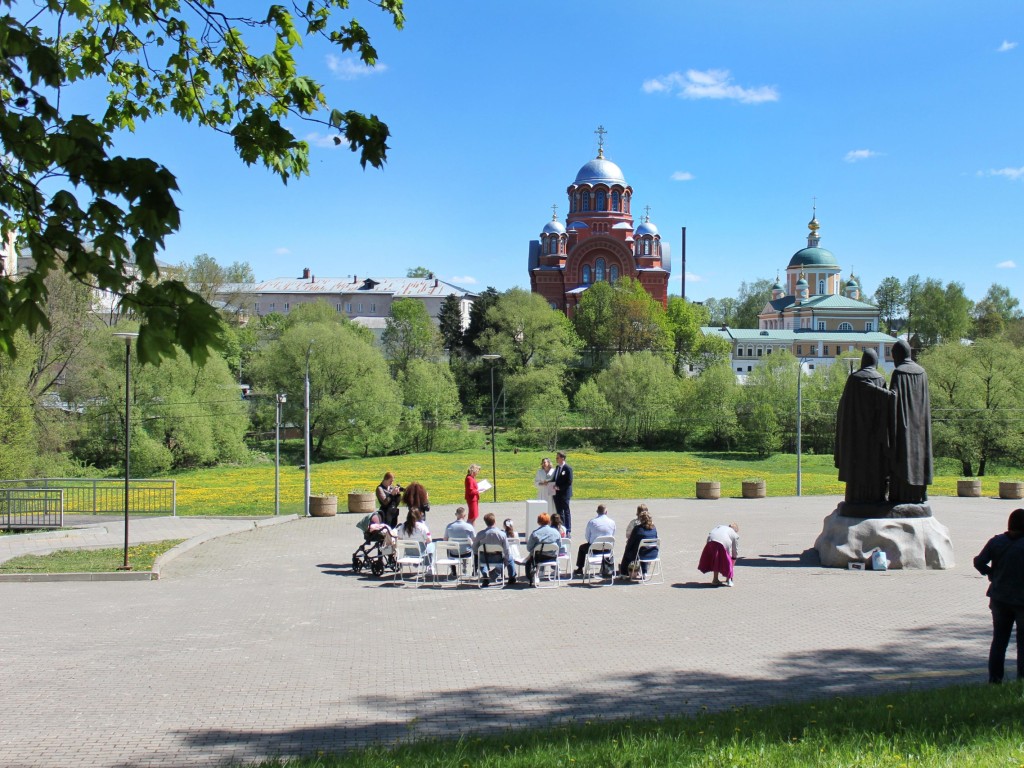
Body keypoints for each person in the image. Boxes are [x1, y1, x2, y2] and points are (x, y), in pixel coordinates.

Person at [834, 349, 893, 504]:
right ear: (875, 362)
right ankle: (876, 497)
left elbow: (844, 408)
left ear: (863, 362)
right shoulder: (879, 378)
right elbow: (885, 408)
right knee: (874, 466)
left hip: (855, 436)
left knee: (856, 469)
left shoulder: (853, 379)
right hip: (875, 436)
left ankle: (854, 498)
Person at [973, 508, 1024, 683]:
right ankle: (1021, 679)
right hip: (1021, 601)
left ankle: (995, 679)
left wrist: (991, 573)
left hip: (999, 598)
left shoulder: (997, 541)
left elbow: (979, 562)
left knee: (999, 641)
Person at [888, 338, 933, 504]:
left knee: (902, 458)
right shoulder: (922, 372)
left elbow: (893, 399)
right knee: (919, 458)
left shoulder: (899, 372)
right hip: (920, 427)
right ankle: (920, 493)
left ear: (898, 355)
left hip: (904, 427)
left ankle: (900, 495)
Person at [473, 512, 515, 587]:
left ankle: (485, 575)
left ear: (485, 523)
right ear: (495, 521)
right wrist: (506, 559)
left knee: (479, 556)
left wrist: (477, 552)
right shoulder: (502, 534)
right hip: (497, 558)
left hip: (484, 558)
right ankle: (511, 577)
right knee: (510, 558)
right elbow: (506, 549)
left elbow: (474, 547)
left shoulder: (480, 534)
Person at [573, 504, 615, 576]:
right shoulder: (612, 522)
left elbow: (587, 536)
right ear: (606, 512)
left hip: (594, 550)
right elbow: (612, 535)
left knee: (582, 548)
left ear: (597, 511)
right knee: (608, 544)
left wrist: (592, 542)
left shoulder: (592, 522)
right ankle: (607, 568)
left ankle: (580, 568)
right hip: (607, 550)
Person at [620, 507, 658, 578]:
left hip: (640, 554)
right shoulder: (654, 528)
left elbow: (630, 542)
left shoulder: (638, 529)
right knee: (643, 549)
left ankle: (623, 573)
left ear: (640, 519)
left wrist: (628, 548)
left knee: (628, 551)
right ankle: (644, 572)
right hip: (653, 553)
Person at [525, 512, 561, 585]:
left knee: (528, 562)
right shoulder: (556, 532)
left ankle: (532, 577)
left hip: (539, 558)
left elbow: (529, 548)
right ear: (549, 521)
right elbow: (559, 546)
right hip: (553, 557)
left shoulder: (535, 533)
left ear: (538, 522)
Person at [445, 507, 476, 577]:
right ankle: (467, 566)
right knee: (468, 545)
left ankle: (453, 570)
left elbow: (445, 539)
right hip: (466, 553)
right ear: (465, 515)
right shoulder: (469, 527)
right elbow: (474, 539)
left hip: (453, 553)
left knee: (448, 547)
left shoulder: (449, 526)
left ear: (456, 514)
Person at [552, 451, 574, 536]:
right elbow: (555, 479)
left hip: (564, 494)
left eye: (557, 458)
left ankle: (568, 529)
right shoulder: (557, 468)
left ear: (562, 458)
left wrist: (560, 488)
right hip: (556, 494)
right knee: (559, 512)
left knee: (566, 511)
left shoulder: (568, 468)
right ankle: (561, 527)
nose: (556, 459)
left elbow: (569, 482)